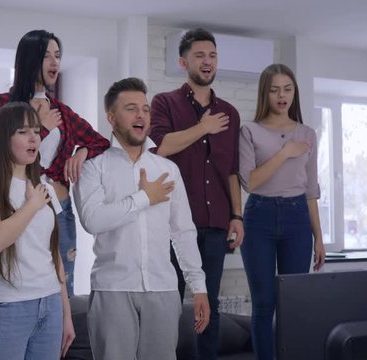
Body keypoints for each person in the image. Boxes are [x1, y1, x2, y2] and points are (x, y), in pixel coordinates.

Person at [74, 77, 210, 360]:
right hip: (112, 289)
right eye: (131, 108)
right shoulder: (92, 168)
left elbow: (183, 232)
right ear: (111, 117)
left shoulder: (168, 169)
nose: (141, 115)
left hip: (163, 289)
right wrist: (144, 198)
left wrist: (199, 287)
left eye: (145, 109)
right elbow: (93, 220)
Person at [0, 30, 110, 296]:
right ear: (30, 60)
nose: (55, 62)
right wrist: (40, 128)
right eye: (46, 56)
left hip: (60, 210)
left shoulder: (62, 112)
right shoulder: (2, 105)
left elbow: (102, 143)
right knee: (19, 281)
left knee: (63, 284)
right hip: (16, 207)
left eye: (58, 56)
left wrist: (83, 151)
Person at [149, 27, 244, 359]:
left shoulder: (230, 113)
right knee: (170, 302)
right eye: (200, 55)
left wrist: (237, 216)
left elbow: (231, 170)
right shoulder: (164, 103)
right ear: (182, 61)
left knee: (211, 304)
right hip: (173, 223)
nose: (208, 62)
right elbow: (160, 146)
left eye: (213, 55)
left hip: (217, 223)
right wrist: (202, 127)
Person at [0, 102, 75, 360]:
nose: (33, 139)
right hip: (6, 308)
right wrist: (32, 205)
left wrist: (66, 313)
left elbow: (54, 254)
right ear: (5, 138)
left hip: (49, 303)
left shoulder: (44, 186)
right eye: (23, 132)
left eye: (37, 131)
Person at [238, 63, 325, 360]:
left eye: (287, 89)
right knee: (264, 304)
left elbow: (311, 190)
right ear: (265, 93)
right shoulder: (250, 131)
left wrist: (320, 238)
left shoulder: (307, 134)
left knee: (293, 304)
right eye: (274, 89)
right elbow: (250, 181)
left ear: (294, 92)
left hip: (298, 218)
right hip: (258, 218)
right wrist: (285, 153)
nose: (282, 95)